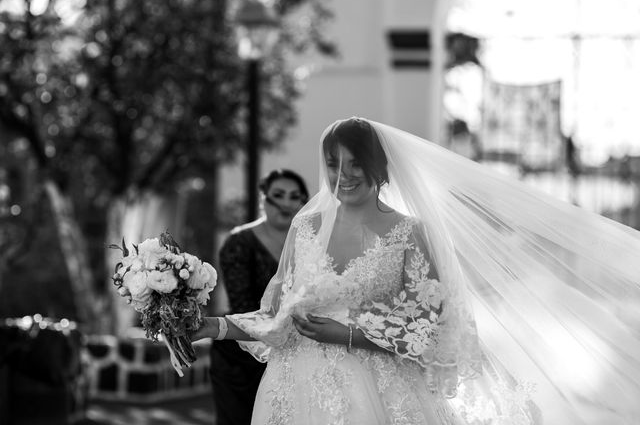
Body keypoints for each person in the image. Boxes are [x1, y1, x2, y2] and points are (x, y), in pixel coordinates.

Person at [194, 117, 640, 424]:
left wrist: (347, 334)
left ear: (380, 168)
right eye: (334, 164)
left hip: (379, 391)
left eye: (355, 164)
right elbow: (278, 320)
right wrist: (212, 325)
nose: (342, 176)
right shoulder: (304, 227)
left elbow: (428, 329)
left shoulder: (409, 234)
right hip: (293, 389)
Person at [209, 169, 308, 425]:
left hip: (294, 351)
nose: (286, 203)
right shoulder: (239, 242)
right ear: (263, 198)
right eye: (278, 195)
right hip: (241, 354)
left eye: (294, 196)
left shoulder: (311, 242)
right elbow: (243, 303)